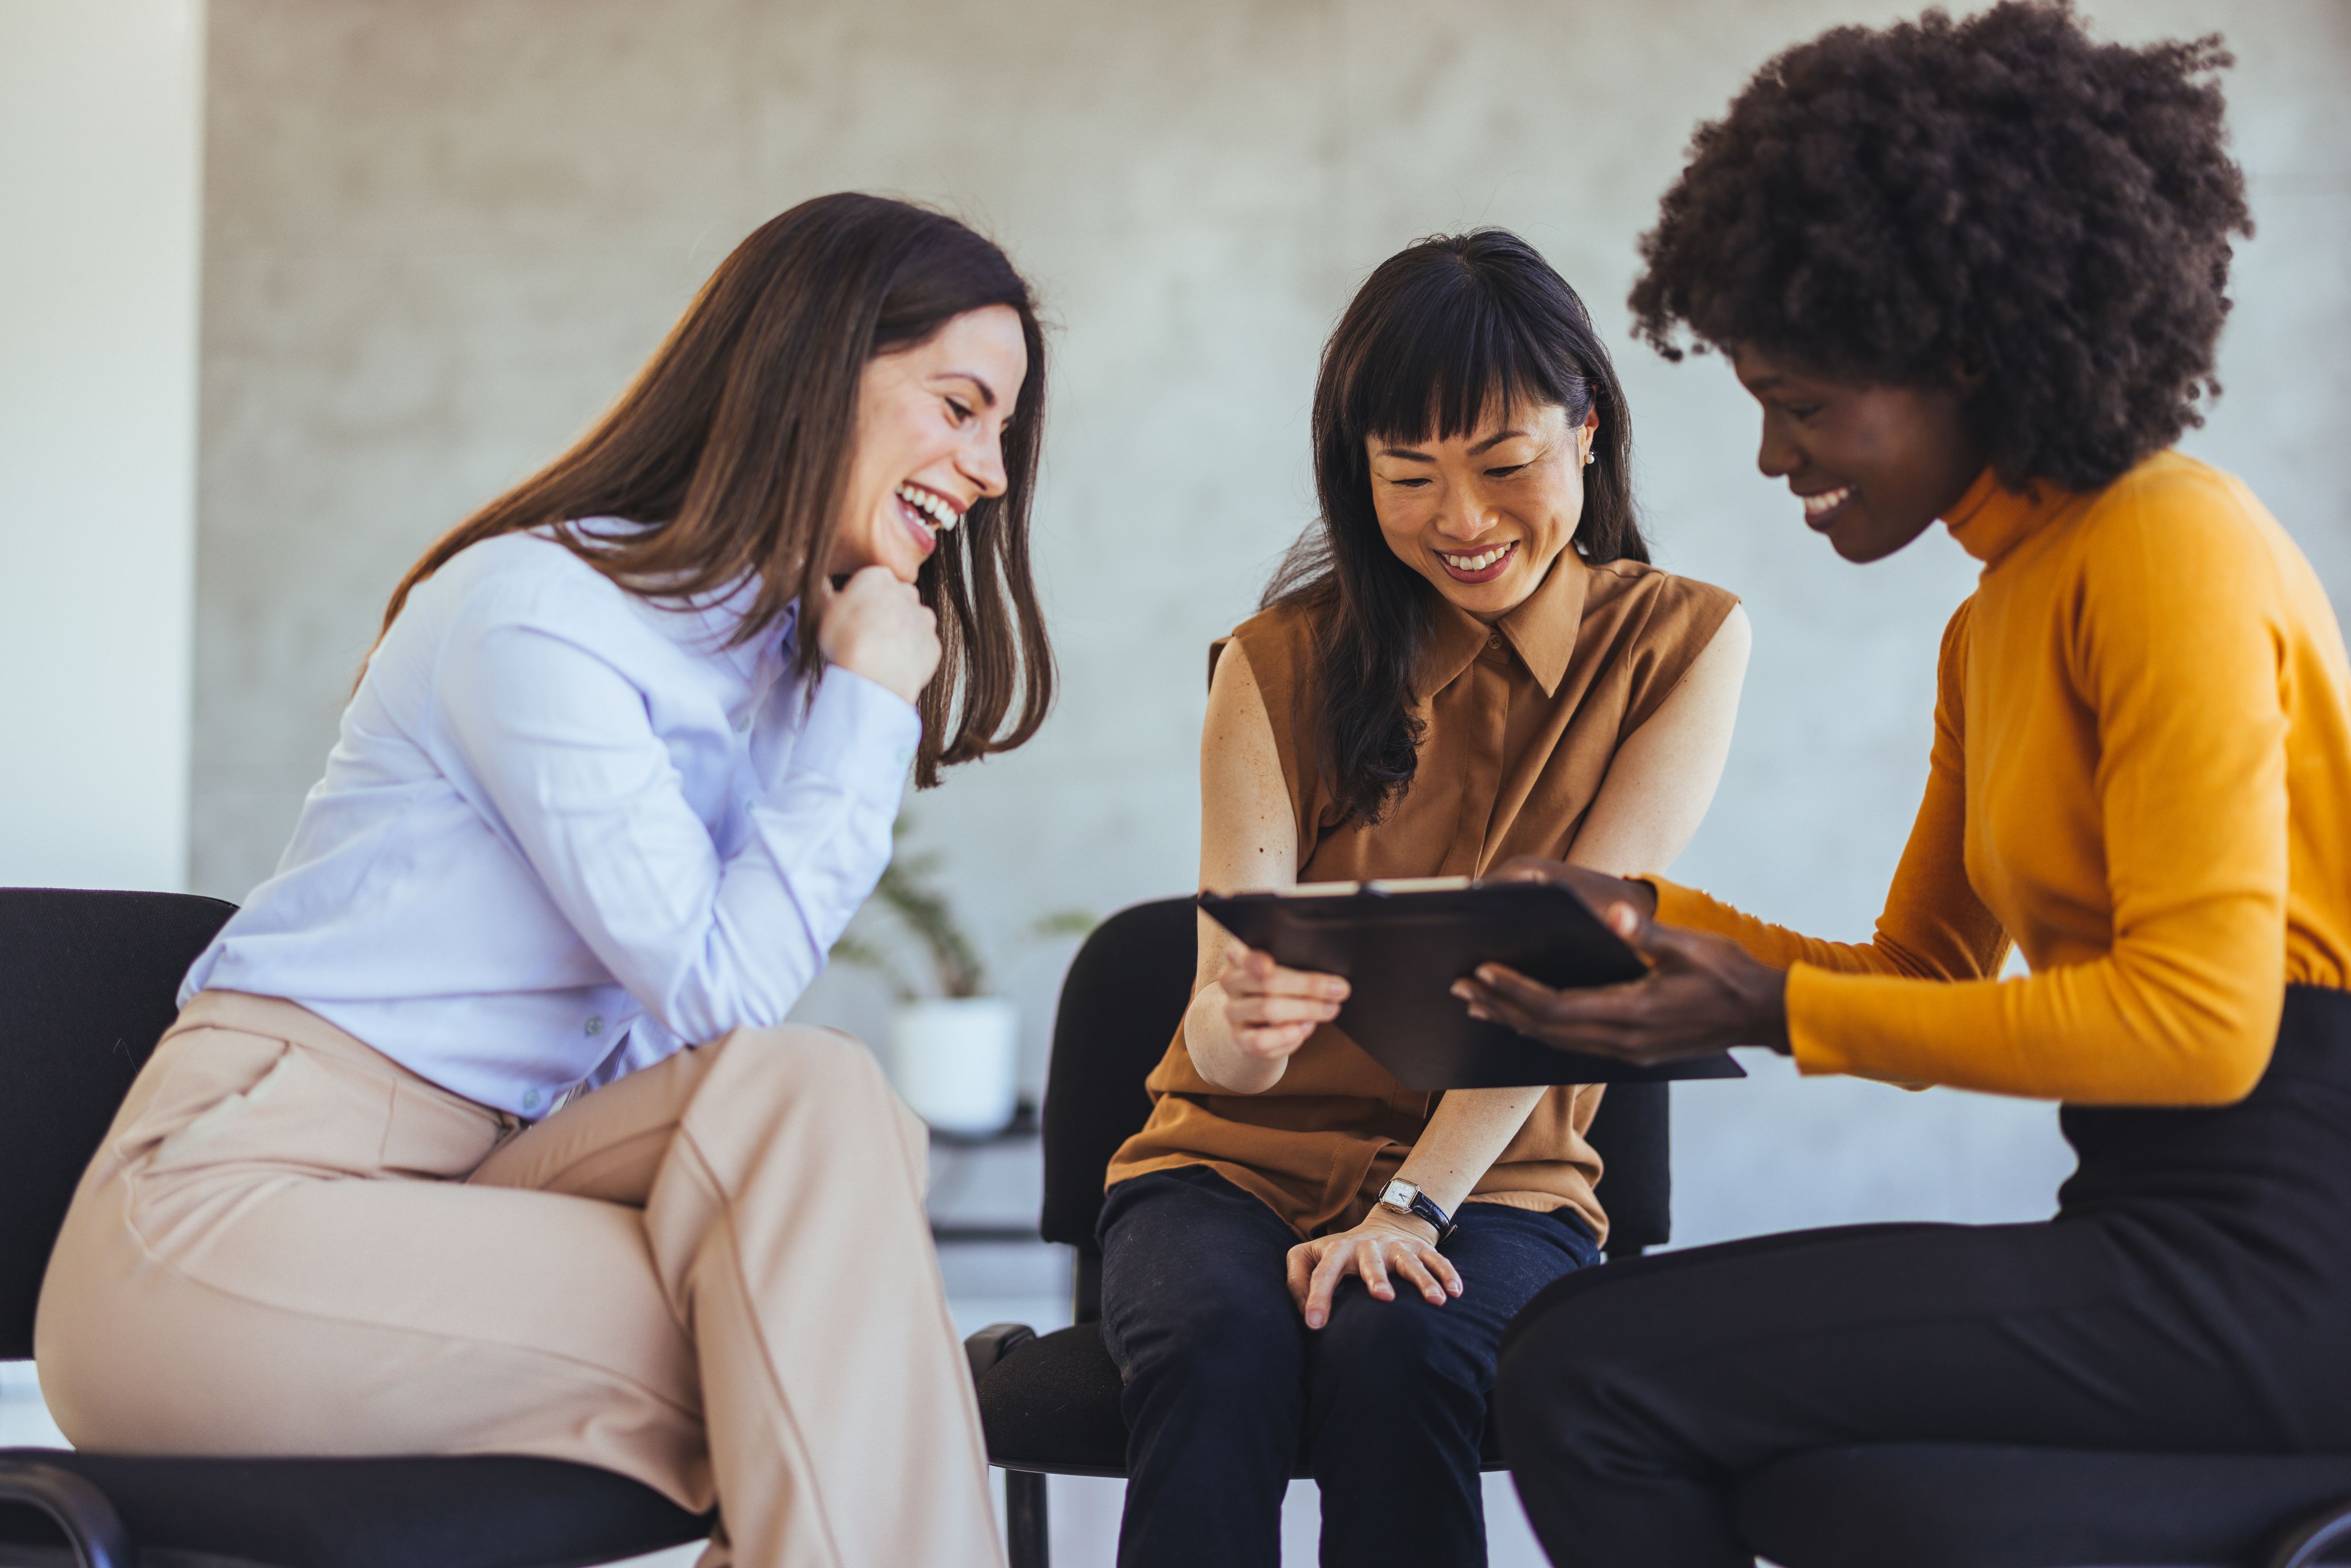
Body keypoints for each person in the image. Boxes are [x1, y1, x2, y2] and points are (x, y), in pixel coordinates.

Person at [34, 192, 1056, 1568]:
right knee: (831, 1343)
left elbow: (725, 1050)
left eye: (1000, 430)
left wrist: (833, 691)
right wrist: (868, 702)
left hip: (485, 1196)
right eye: (961, 405)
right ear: (820, 368)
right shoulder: (536, 610)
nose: (989, 468)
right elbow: (717, 983)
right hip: (228, 1225)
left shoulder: (764, 680)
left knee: (819, 1105)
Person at [1461, 9, 2351, 1567]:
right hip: (2165, 1234)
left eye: (1801, 402)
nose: (1768, 455)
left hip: (2291, 1252)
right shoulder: (1997, 612)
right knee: (1699, 1410)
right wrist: (1630, 914)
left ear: (1965, 354)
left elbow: (2205, 1030)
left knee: (1590, 1370)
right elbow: (1920, 972)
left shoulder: (2166, 540)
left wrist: (1757, 1008)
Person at [1097, 231, 1751, 1568]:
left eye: (1504, 465)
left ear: (1585, 430)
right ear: (1359, 475)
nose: (1460, 519)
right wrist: (1244, 1020)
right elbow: (1216, 1037)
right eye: (1409, 476)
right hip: (1224, 1165)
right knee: (1215, 1348)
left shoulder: (1682, 642)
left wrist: (1409, 1208)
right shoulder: (1273, 664)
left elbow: (1567, 980)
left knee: (1397, 1344)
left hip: (1499, 1180)